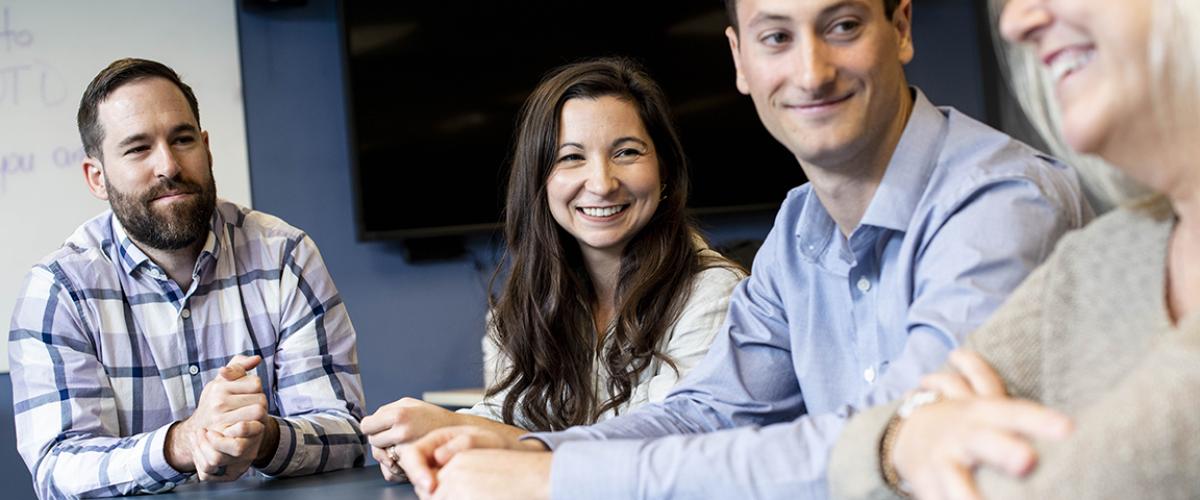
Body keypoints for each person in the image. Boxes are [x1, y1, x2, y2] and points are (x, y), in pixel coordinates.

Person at [397, 0, 1091, 498]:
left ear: (902, 28)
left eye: (842, 26)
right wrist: (523, 448)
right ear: (740, 61)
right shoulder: (798, 229)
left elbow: (899, 441)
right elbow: (707, 412)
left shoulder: (1001, 202)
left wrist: (554, 477)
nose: (812, 71)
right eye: (776, 37)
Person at [829, 0, 1200, 498]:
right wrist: (904, 434)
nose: (1015, 21)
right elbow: (858, 452)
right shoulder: (1100, 258)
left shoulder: (1004, 193)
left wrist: (910, 447)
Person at [360, 57, 746, 482]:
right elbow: (511, 414)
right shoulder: (529, 298)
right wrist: (429, 441)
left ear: (665, 170)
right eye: (571, 157)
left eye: (627, 152)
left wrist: (459, 429)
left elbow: (669, 443)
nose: (601, 181)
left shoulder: (715, 293)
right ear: (539, 180)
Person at [8, 58, 366, 498]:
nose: (169, 165)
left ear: (207, 148)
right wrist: (183, 441)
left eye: (182, 139)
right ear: (97, 178)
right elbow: (58, 468)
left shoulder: (284, 256)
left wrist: (264, 437)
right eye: (138, 148)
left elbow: (346, 436)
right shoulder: (60, 290)